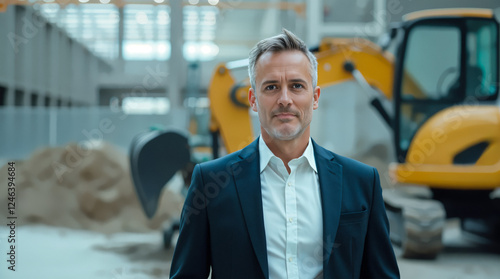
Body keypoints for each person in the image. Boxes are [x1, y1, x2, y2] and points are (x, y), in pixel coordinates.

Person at [170, 29, 400, 279]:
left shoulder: (361, 182)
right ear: (253, 99)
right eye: (271, 87)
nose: (284, 99)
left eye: (297, 86)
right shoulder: (210, 182)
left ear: (315, 97)